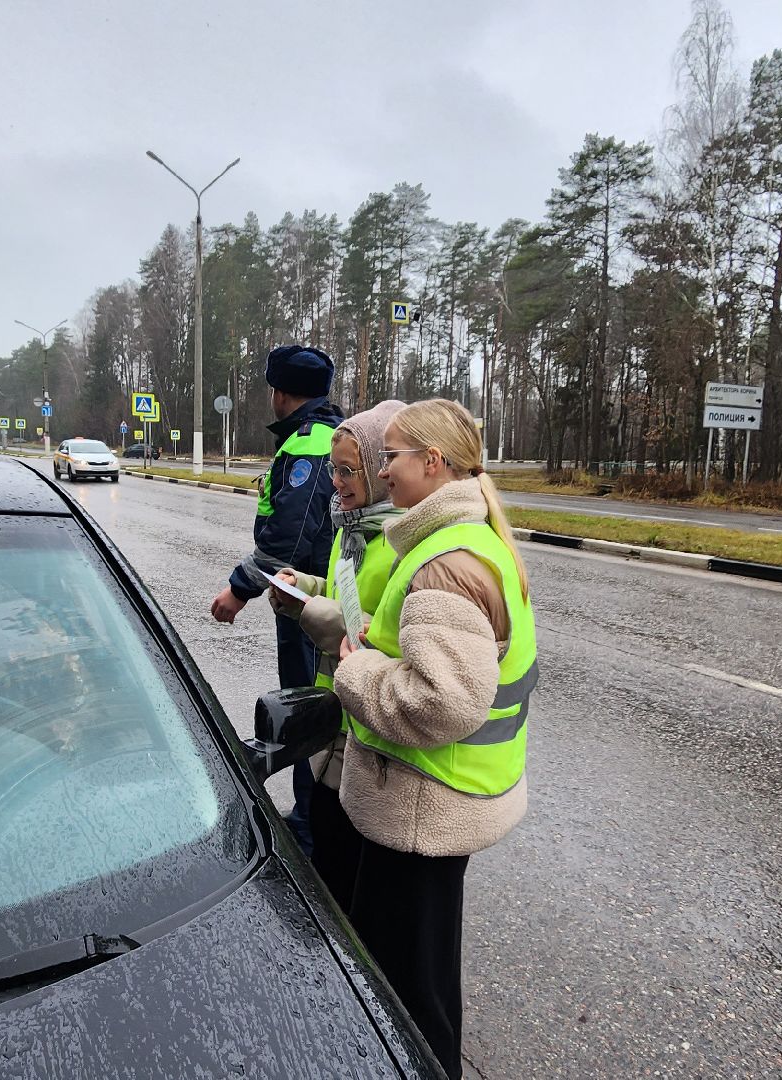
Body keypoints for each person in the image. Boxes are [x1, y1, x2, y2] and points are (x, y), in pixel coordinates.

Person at [331, 398, 536, 1080]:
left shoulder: (443, 563)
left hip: (422, 808)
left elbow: (443, 701)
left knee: (406, 997)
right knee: (423, 979)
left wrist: (356, 669)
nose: (383, 471)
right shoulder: (471, 542)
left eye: (391, 456)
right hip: (445, 799)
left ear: (433, 462)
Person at [266, 399, 407, 909]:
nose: (337, 483)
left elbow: (384, 640)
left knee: (347, 886)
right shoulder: (353, 530)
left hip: (366, 744)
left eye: (349, 471)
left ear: (378, 471)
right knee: (327, 863)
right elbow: (344, 592)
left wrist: (323, 623)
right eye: (333, 469)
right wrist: (302, 586)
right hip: (335, 730)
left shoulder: (401, 544)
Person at [209, 344, 343, 853]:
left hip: (306, 599)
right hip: (308, 595)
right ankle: (309, 813)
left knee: (309, 706)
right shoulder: (317, 436)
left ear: (279, 392)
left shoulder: (311, 445)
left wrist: (238, 590)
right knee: (312, 701)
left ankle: (310, 826)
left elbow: (288, 538)